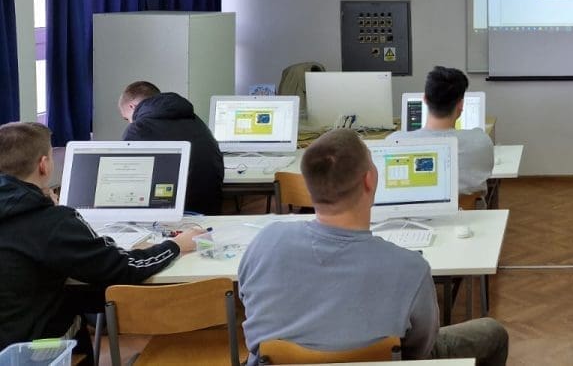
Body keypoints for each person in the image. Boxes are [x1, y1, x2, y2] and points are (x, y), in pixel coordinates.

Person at [238, 129, 508, 365]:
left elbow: (248, 304)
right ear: (369, 180)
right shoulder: (410, 268)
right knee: (492, 333)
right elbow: (420, 349)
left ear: (310, 187)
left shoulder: (264, 243)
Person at [0, 122, 203, 355]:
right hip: (26, 351)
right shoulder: (52, 222)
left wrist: (45, 205)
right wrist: (175, 245)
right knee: (93, 296)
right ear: (44, 165)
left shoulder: (40, 216)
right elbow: (123, 268)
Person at [119, 81, 224, 215]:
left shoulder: (138, 128)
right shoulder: (195, 120)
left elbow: (126, 180)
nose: (130, 121)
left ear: (132, 106)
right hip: (209, 209)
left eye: (126, 118)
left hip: (165, 216)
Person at [390, 66, 493, 196]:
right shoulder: (481, 142)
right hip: (466, 209)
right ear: (461, 105)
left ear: (425, 99)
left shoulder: (394, 142)